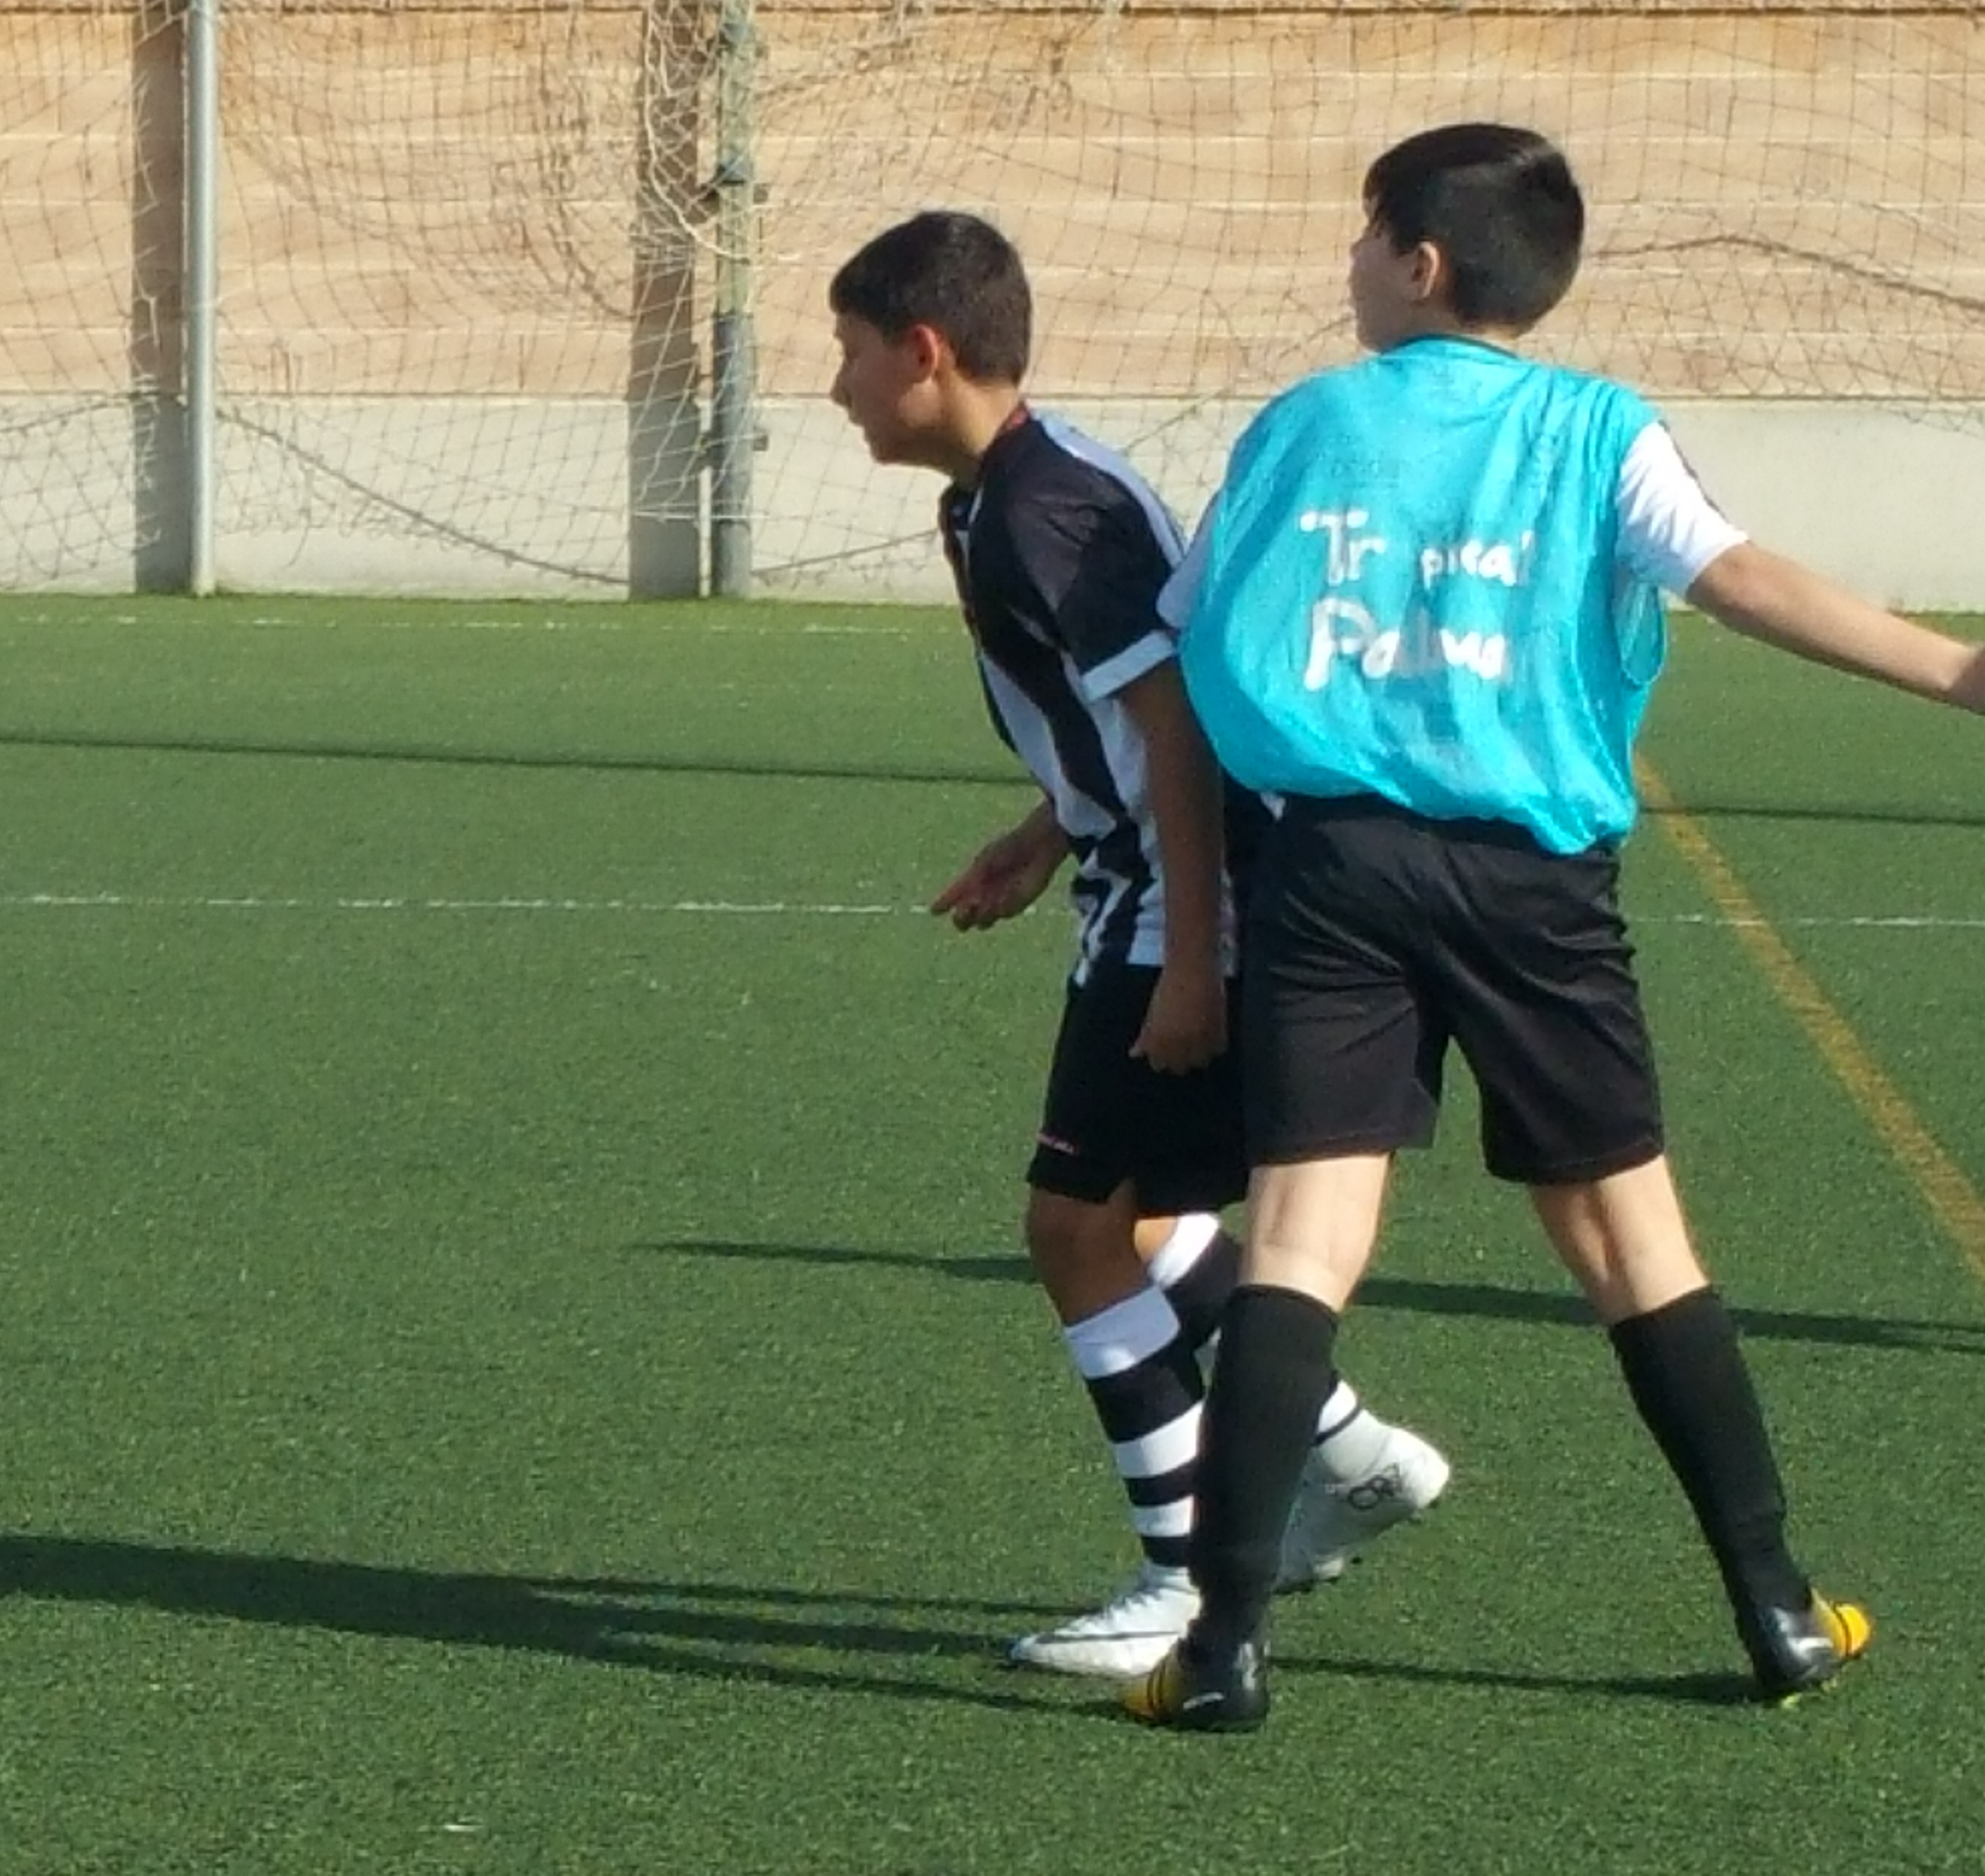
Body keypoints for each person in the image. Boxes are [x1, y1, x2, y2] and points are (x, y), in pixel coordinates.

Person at [1123, 122, 1971, 1731]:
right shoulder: (1597, 429)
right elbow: (1735, 578)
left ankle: (1222, 1646)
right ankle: (1778, 1610)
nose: (1349, 264)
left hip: (1332, 867)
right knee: (1633, 1244)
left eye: (1364, 235)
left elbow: (1190, 639)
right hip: (1533, 887)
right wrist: (1957, 672)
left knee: (1299, 1241)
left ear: (1418, 263)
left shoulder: (1299, 425)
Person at [826, 212, 1448, 1678]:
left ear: (923, 352)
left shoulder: (1042, 511)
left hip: (1183, 895)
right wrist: (1042, 828)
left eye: (847, 353)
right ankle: (1351, 1456)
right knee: (1142, 1216)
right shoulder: (1000, 495)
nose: (836, 385)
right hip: (1142, 878)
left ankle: (1182, 1576)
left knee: (1072, 1229)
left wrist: (1184, 957)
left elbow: (1175, 722)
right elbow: (1112, 717)